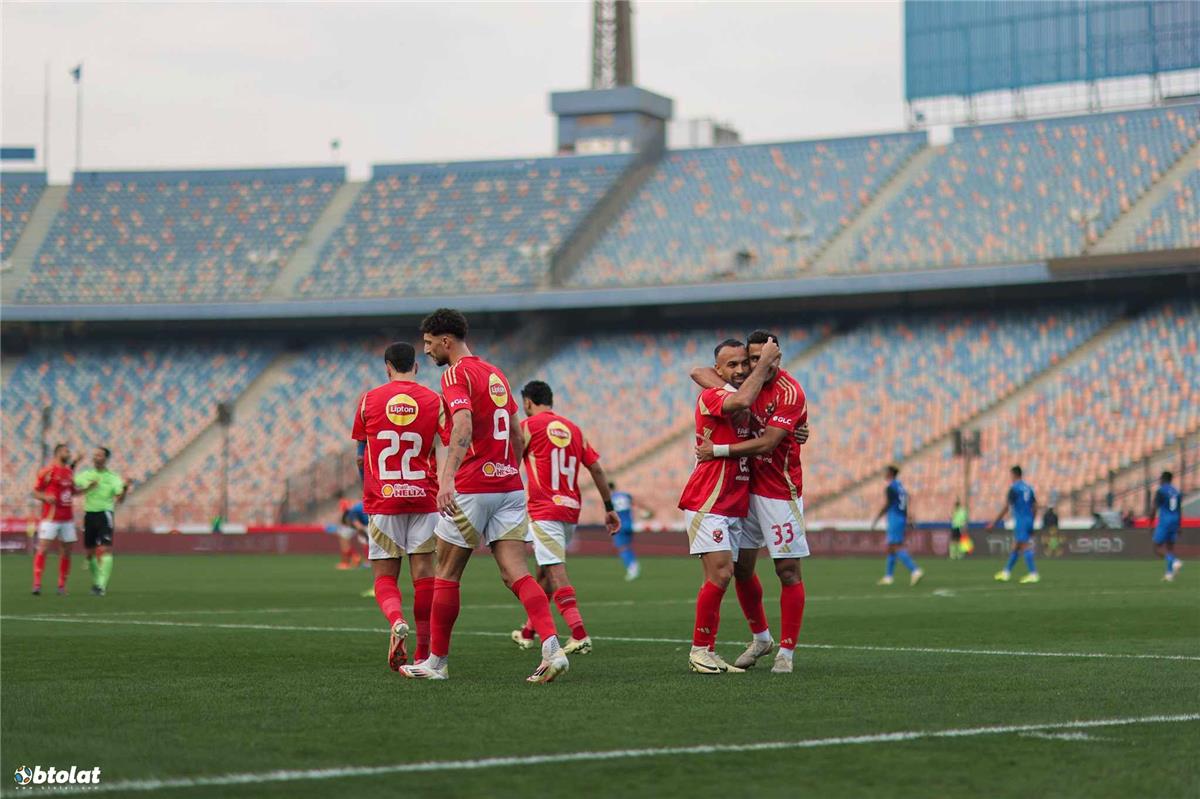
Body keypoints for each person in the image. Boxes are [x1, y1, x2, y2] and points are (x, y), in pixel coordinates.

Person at [400, 309, 566, 683]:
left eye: (428, 344)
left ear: (446, 341)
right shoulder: (496, 374)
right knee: (516, 573)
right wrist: (510, 470)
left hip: (474, 488)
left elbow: (462, 422)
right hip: (509, 485)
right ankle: (552, 648)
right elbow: (516, 433)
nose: (426, 352)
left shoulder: (456, 374)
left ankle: (436, 663)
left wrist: (446, 480)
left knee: (446, 572)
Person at [692, 330, 811, 674]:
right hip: (744, 489)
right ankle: (761, 637)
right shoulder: (745, 386)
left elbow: (769, 443)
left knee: (786, 571)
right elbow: (700, 372)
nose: (754, 365)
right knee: (741, 569)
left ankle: (786, 652)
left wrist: (718, 450)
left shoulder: (790, 392)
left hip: (779, 491)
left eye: (762, 358)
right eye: (751, 358)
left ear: (778, 357)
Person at [679, 337, 779, 675]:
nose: (739, 370)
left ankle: (707, 649)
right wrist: (763, 362)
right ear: (719, 370)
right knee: (721, 574)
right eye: (731, 365)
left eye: (743, 363)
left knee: (721, 576)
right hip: (708, 498)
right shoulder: (714, 396)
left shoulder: (739, 400)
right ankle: (698, 650)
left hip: (732, 501)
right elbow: (741, 397)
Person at [510, 380, 621, 655]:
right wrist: (609, 506)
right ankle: (527, 631)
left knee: (555, 570)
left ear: (527, 402)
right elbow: (595, 468)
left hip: (544, 508)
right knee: (545, 569)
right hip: (571, 509)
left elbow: (510, 463)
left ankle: (579, 633)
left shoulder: (527, 427)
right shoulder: (574, 430)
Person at [352, 341, 444, 670]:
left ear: (388, 367)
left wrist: (371, 485)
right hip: (424, 497)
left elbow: (361, 457)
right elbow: (443, 446)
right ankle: (423, 654)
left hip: (384, 499)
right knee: (425, 577)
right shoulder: (435, 401)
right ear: (416, 367)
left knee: (384, 578)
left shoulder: (368, 401)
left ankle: (395, 620)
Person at [74, 447, 127, 596]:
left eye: (99, 455)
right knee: (90, 552)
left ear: (106, 459)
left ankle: (101, 585)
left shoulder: (113, 477)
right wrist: (75, 462)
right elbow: (70, 480)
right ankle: (97, 582)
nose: (96, 457)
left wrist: (125, 489)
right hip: (89, 514)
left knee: (105, 548)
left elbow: (120, 498)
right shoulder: (86, 475)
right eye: (95, 455)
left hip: (105, 514)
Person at [31, 444, 77, 596]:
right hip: (50, 518)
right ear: (58, 453)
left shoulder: (69, 472)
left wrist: (89, 488)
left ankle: (61, 586)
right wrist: (45, 497)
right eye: (66, 451)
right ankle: (37, 584)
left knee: (66, 551)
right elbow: (35, 492)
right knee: (43, 548)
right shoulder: (47, 471)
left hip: (67, 518)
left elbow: (73, 491)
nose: (69, 453)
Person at [871, 465, 924, 586]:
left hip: (894, 517)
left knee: (895, 546)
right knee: (891, 547)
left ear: (890, 473)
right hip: (901, 517)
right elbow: (906, 500)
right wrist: (908, 516)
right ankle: (888, 577)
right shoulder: (900, 487)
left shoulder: (890, 488)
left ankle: (915, 570)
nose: (884, 473)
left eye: (886, 471)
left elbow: (888, 505)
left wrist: (877, 518)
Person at [990, 465, 1039, 583]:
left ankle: (1033, 573)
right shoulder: (1028, 488)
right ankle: (1006, 572)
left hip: (1021, 520)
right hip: (1029, 519)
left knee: (1023, 545)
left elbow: (1007, 507)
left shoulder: (1014, 489)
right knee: (1016, 546)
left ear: (1014, 474)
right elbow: (1035, 506)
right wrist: (1032, 521)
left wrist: (994, 523)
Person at [1150, 471, 1183, 582]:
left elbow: (1154, 508)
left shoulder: (1161, 491)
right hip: (1175, 520)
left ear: (1163, 479)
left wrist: (1150, 523)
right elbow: (1179, 509)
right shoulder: (1176, 492)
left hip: (1165, 520)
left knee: (1156, 547)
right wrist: (1179, 525)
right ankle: (1169, 574)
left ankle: (1174, 561)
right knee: (1170, 548)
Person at [609, 481, 643, 581]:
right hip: (629, 524)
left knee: (622, 548)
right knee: (627, 546)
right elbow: (636, 503)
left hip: (619, 526)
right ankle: (634, 564)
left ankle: (632, 568)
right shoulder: (625, 495)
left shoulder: (609, 499)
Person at [335, 501, 367, 570]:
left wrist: (344, 524)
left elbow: (346, 514)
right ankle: (354, 557)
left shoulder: (343, 502)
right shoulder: (349, 502)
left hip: (351, 524)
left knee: (344, 541)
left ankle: (347, 561)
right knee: (363, 541)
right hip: (355, 523)